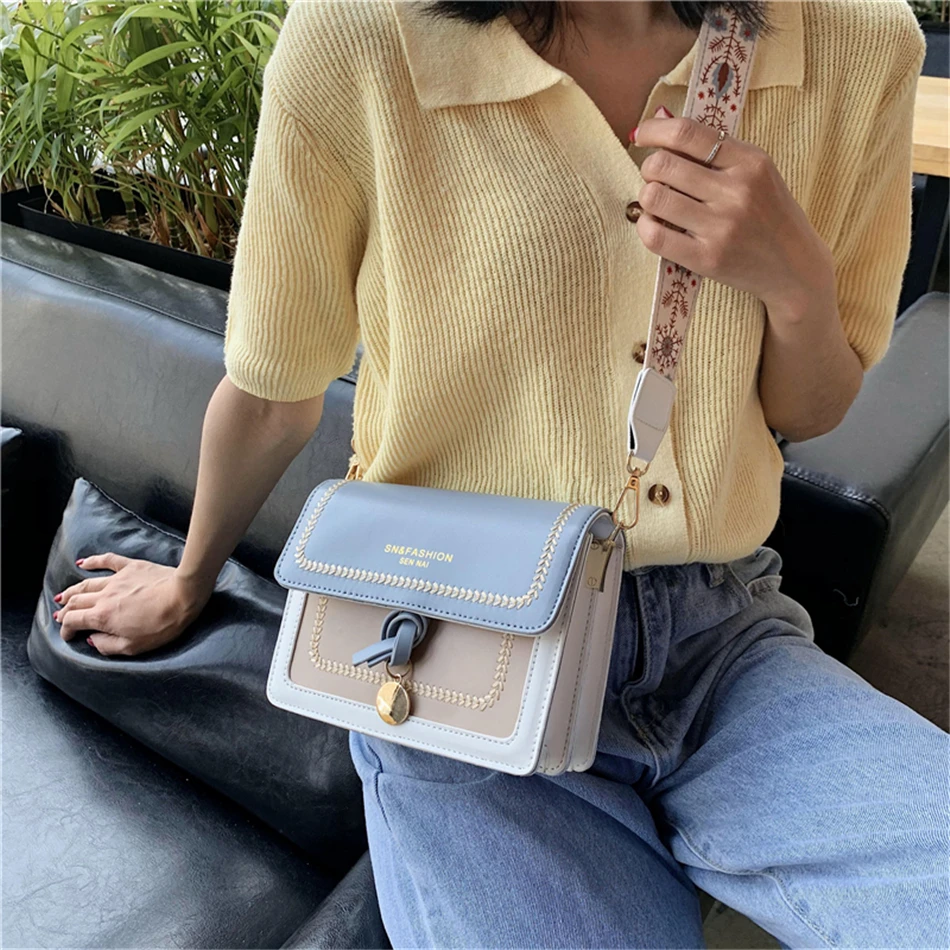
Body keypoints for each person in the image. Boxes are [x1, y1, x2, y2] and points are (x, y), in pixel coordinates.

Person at [52, 0, 949, 946]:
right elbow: (274, 395)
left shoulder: (856, 41)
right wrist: (190, 578)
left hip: (720, 641)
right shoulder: (361, 36)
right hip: (449, 644)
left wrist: (795, 282)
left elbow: (808, 411)